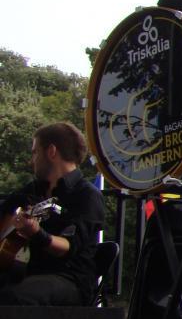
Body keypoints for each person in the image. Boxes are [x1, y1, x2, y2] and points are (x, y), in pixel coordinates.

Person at [0, 122, 104, 306]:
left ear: (51, 151)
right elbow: (7, 208)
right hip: (33, 272)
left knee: (13, 296)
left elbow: (67, 247)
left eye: (35, 152)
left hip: (70, 280)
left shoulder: (87, 195)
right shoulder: (34, 190)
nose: (32, 160)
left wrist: (36, 233)